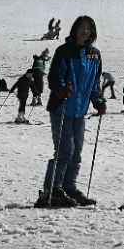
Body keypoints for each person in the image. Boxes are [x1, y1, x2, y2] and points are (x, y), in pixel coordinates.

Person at [36, 16, 106, 208]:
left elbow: (94, 82)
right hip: (62, 107)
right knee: (65, 150)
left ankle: (68, 187)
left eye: (88, 28)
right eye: (82, 28)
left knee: (76, 152)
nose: (85, 31)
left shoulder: (95, 55)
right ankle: (52, 190)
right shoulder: (64, 51)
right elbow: (54, 77)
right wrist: (61, 89)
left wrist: (98, 101)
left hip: (80, 110)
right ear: (75, 29)